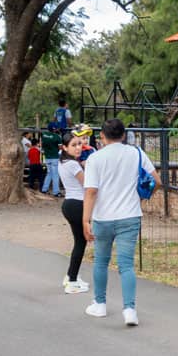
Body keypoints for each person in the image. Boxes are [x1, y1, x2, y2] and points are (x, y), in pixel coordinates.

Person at [82, 119, 160, 326]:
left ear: (102, 137)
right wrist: (143, 197)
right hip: (130, 215)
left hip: (102, 217)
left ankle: (99, 305)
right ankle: (130, 310)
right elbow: (157, 181)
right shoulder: (137, 153)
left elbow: (91, 191)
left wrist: (85, 220)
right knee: (126, 265)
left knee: (100, 261)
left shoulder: (95, 158)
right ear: (124, 135)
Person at [58, 134, 90, 294]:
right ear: (65, 147)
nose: (78, 147)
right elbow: (88, 184)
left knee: (79, 242)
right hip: (77, 204)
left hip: (70, 204)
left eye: (79, 144)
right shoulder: (73, 165)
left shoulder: (63, 162)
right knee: (80, 243)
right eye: (74, 145)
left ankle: (71, 276)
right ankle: (71, 282)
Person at [40, 126, 62, 197]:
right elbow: (60, 147)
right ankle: (56, 192)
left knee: (49, 173)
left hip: (47, 157)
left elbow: (42, 145)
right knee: (55, 174)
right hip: (55, 157)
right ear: (54, 129)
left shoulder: (44, 135)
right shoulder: (57, 137)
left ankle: (44, 189)